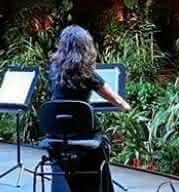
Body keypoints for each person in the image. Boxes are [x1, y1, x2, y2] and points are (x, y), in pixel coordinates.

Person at [48, 25, 131, 192]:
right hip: (82, 136)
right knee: (102, 146)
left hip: (56, 137)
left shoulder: (54, 71)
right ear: (86, 46)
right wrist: (126, 107)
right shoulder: (87, 73)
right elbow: (116, 100)